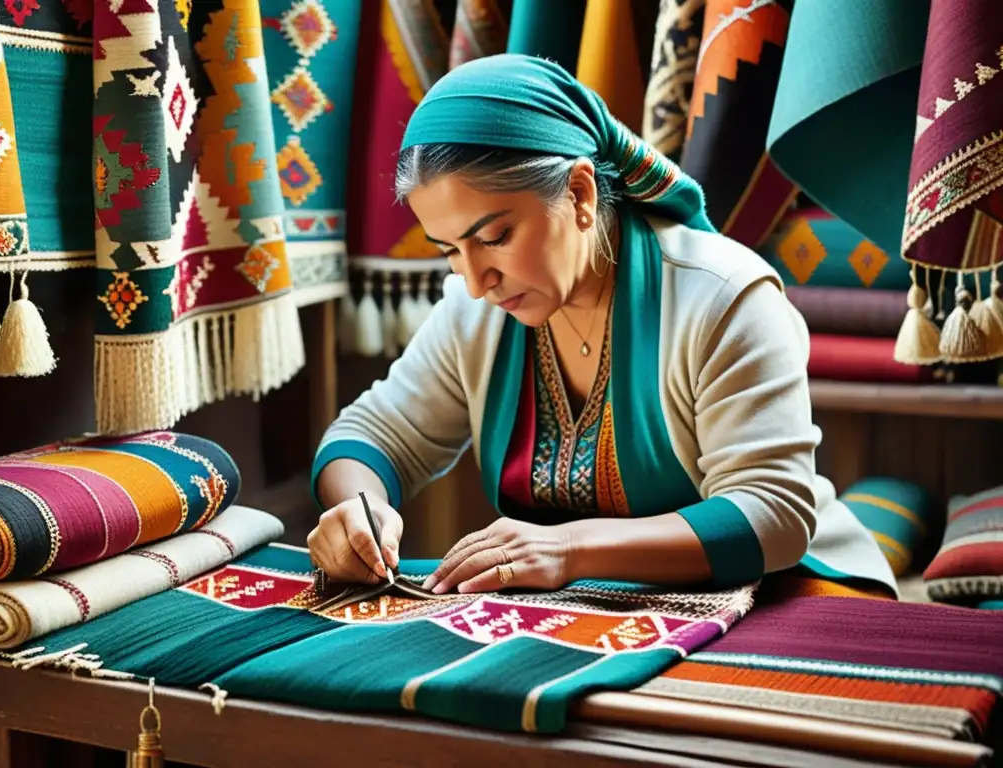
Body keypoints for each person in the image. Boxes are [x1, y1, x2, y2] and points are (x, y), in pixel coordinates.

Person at [307, 54, 898, 600]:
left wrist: (569, 549)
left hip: (784, 592)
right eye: (448, 251)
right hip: (601, 609)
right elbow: (371, 433)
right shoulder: (479, 310)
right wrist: (359, 511)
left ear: (581, 193)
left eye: (494, 238)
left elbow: (771, 515)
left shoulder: (722, 296)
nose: (474, 280)